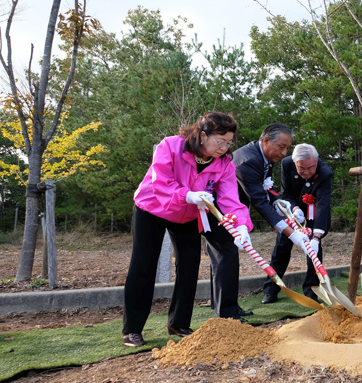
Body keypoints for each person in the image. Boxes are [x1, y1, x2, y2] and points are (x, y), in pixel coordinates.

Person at [122, 112, 253, 347]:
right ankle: (132, 328)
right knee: (143, 265)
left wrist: (241, 226)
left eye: (229, 142)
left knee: (190, 265)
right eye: (219, 141)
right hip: (153, 207)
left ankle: (179, 323)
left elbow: (230, 199)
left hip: (188, 215)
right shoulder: (171, 146)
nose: (224, 148)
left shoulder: (224, 165)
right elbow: (160, 182)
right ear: (203, 135)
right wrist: (188, 195)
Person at [232, 123, 314, 304]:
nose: (284, 153)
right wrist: (291, 233)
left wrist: (277, 200)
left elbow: (265, 187)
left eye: (287, 148)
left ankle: (228, 306)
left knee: (229, 258)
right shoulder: (249, 160)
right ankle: (225, 308)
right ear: (267, 141)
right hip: (227, 213)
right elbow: (259, 201)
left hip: (238, 208)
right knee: (227, 258)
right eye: (281, 147)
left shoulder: (264, 156)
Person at [261, 144, 332, 303]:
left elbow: (323, 204)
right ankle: (271, 289)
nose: (306, 173)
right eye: (302, 169)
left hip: (315, 215)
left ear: (316, 161)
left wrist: (316, 237)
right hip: (294, 213)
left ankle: (312, 289)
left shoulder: (325, 173)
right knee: (281, 247)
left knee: (314, 251)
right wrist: (294, 209)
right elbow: (286, 192)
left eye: (310, 168)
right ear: (295, 164)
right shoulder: (286, 164)